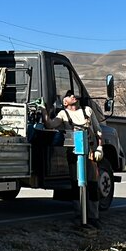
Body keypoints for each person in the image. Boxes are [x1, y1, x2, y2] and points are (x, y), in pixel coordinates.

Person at [41, 89, 104, 227]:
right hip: (74, 153)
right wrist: (43, 110)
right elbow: (50, 124)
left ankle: (94, 216)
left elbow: (98, 131)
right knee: (76, 184)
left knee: (93, 184)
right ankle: (79, 214)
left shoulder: (87, 111)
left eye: (73, 95)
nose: (73, 96)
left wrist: (100, 148)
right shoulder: (63, 114)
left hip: (91, 153)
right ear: (65, 102)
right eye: (69, 96)